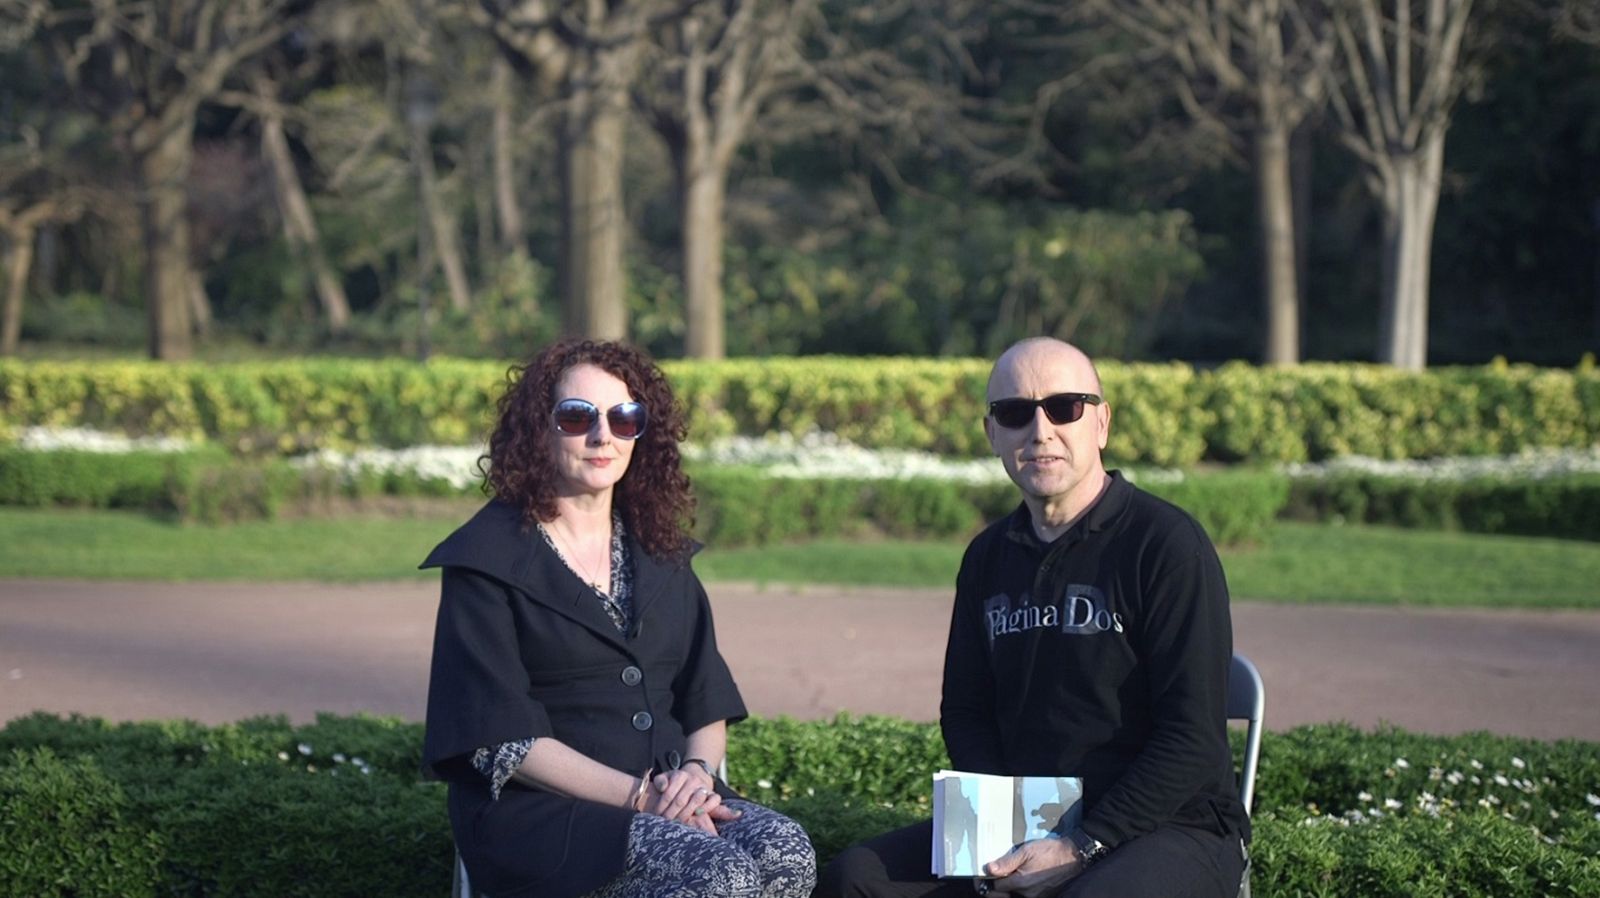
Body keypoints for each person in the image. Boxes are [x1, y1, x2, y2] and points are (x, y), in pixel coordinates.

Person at [818, 337, 1249, 898]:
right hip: (1030, 825)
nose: (1040, 430)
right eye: (1016, 413)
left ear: (1101, 423)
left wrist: (1083, 844)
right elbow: (966, 712)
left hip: (1173, 827)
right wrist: (1003, 832)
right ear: (992, 433)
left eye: (1064, 407)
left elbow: (1193, 740)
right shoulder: (987, 556)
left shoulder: (1166, 545)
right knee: (857, 879)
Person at [421, 338, 816, 898]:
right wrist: (642, 798)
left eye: (624, 417)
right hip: (540, 817)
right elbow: (502, 740)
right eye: (577, 417)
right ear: (538, 430)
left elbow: (705, 698)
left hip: (670, 797)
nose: (603, 435)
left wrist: (698, 779)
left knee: (787, 852)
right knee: (718, 874)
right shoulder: (485, 561)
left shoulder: (661, 551)